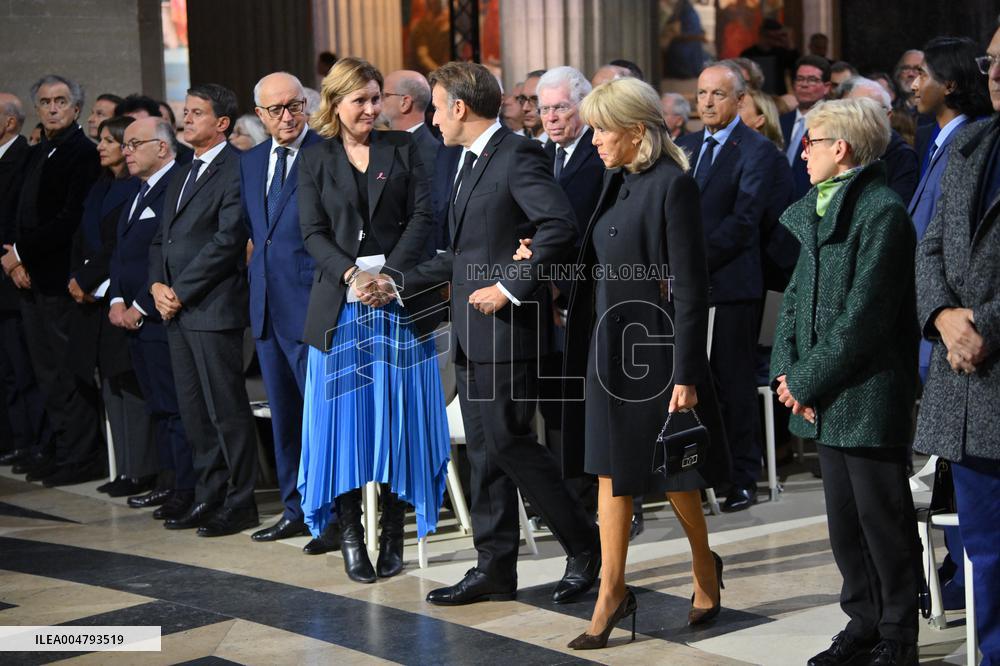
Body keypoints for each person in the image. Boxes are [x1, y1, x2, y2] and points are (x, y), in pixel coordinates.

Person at [394, 60, 600, 606]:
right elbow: (462, 254)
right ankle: (494, 567)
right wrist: (395, 282)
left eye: (437, 108)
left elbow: (558, 226)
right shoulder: (464, 160)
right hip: (471, 331)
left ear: (460, 107)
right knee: (485, 453)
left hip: (508, 329)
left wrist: (510, 287)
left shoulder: (518, 154)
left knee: (510, 442)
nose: (433, 119)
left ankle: (587, 546)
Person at [542, 75, 726, 648]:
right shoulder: (615, 179)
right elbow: (601, 260)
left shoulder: (673, 185)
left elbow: (691, 288)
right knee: (609, 471)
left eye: (602, 129)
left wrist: (686, 373)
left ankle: (704, 564)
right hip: (607, 349)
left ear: (637, 132)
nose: (594, 139)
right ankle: (611, 591)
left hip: (654, 350)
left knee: (673, 473)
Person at [771, 97, 921, 666]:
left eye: (810, 142)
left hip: (867, 391)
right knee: (844, 523)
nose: (802, 153)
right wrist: (788, 374)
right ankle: (863, 623)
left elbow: (865, 318)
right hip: (823, 393)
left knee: (882, 521)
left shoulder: (882, 212)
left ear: (842, 148)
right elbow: (793, 301)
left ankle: (897, 635)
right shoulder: (819, 206)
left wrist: (805, 380)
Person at [296, 57, 449, 582]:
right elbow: (312, 232)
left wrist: (390, 277)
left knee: (397, 423)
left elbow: (424, 217)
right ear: (335, 103)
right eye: (359, 99)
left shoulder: (404, 147)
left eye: (375, 98)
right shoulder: (314, 158)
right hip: (341, 309)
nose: (369, 108)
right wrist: (352, 276)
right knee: (344, 427)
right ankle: (350, 536)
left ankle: (392, 534)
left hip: (399, 305)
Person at [913, 21, 1000, 665]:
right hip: (966, 384)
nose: (997, 74)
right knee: (985, 545)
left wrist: (983, 326)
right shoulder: (972, 143)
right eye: (991, 61)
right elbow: (931, 247)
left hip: (987, 356)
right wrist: (944, 316)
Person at [148, 83, 258, 537]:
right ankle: (208, 494)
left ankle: (241, 501)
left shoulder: (237, 167)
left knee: (224, 410)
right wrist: (157, 285)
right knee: (193, 410)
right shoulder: (182, 170)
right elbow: (162, 238)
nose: (186, 119)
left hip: (212, 306)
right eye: (186, 111)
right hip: (176, 308)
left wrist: (179, 290)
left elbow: (228, 240)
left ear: (222, 123)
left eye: (196, 112)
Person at [678, 62, 777, 512]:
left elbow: (744, 220)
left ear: (740, 100)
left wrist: (691, 262)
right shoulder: (685, 146)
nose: (707, 102)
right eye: (701, 93)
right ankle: (705, 471)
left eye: (717, 94)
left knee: (733, 385)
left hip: (732, 285)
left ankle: (742, 477)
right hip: (689, 288)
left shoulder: (757, 150)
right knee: (695, 383)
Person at [240, 72, 328, 551]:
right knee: (285, 418)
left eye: (294, 105)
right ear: (261, 115)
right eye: (275, 109)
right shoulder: (252, 161)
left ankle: (331, 517)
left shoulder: (327, 153)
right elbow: (256, 234)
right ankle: (295, 510)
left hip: (312, 305)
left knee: (321, 418)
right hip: (267, 309)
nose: (287, 116)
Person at [1, 75, 104, 485]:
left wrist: (21, 253)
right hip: (32, 279)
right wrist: (15, 260)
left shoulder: (83, 153)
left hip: (62, 278)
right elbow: (17, 210)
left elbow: (69, 219)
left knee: (66, 371)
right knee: (44, 371)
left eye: (61, 101)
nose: (53, 108)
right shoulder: (38, 151)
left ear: (76, 108)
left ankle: (83, 455)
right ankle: (62, 449)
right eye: (45, 102)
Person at [110, 117, 196, 521]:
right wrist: (115, 299)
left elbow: (168, 256)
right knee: (156, 406)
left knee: (175, 406)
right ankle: (167, 480)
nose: (125, 152)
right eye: (124, 145)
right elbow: (121, 251)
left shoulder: (176, 185)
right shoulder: (136, 190)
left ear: (162, 147)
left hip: (159, 316)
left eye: (133, 144)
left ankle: (186, 487)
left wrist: (139, 306)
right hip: (131, 317)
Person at [71, 115, 157, 498]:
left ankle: (141, 469)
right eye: (103, 140)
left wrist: (91, 280)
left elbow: (120, 248)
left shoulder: (135, 188)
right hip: (100, 299)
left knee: (130, 382)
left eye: (111, 140)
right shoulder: (100, 186)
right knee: (111, 383)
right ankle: (124, 468)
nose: (103, 147)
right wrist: (77, 277)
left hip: (120, 294)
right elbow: (82, 236)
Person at [0, 93, 49, 470]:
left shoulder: (27, 157)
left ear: (11, 122)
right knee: (7, 370)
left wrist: (17, 257)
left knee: (24, 366)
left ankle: (35, 442)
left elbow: (22, 217)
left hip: (14, 278)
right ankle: (16, 438)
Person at [840, 77, 919, 203]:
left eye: (867, 111)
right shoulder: (841, 147)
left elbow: (895, 207)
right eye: (853, 110)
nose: (859, 118)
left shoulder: (902, 156)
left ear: (887, 115)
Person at [780, 55, 833, 199]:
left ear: (826, 87)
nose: (804, 84)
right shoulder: (781, 121)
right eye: (800, 79)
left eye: (812, 80)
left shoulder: (832, 124)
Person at [379, 70, 440, 175]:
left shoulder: (430, 155)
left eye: (384, 95)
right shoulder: (382, 145)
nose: (377, 102)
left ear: (405, 103)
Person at [740, 18, 800, 96]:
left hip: (777, 96)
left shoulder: (781, 53)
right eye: (769, 36)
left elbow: (796, 66)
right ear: (762, 34)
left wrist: (788, 41)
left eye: (776, 37)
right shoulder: (748, 54)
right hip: (756, 95)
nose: (773, 39)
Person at [519, 70, 547, 141]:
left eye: (535, 99)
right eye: (523, 98)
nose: (525, 108)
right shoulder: (515, 142)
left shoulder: (563, 145)